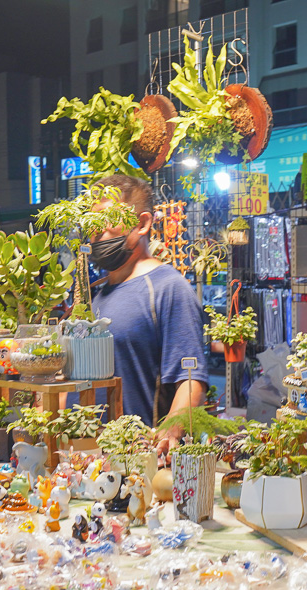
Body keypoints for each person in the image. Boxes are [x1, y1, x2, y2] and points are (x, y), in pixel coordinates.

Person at [89, 174, 207, 456]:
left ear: (142, 224)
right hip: (82, 460)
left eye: (109, 221)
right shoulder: (94, 293)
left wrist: (169, 434)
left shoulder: (168, 289)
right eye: (92, 224)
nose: (98, 233)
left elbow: (192, 379)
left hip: (133, 461)